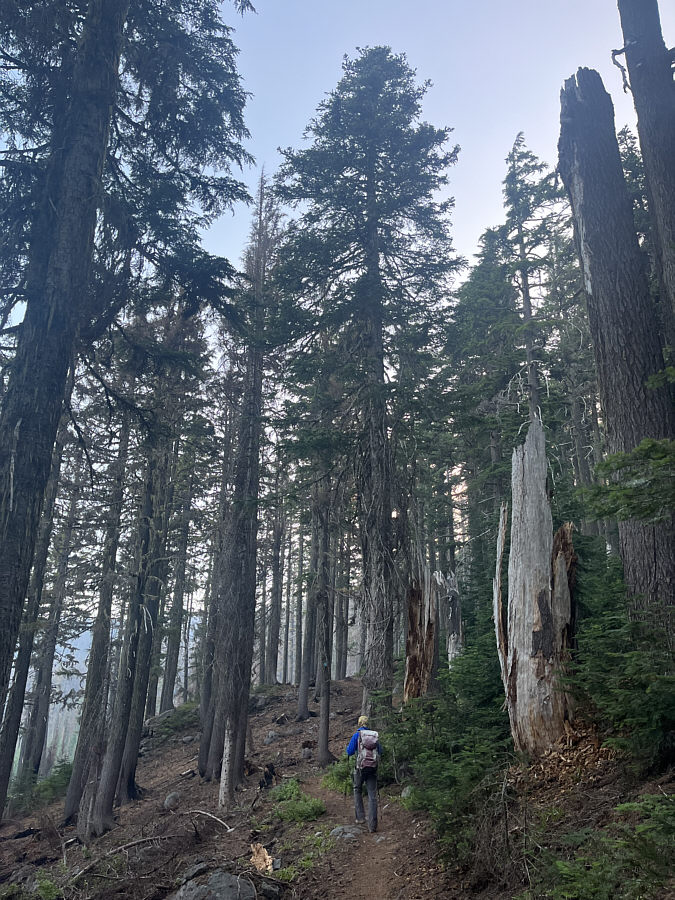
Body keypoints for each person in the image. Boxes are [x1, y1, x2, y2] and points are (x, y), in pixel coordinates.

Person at [346, 714, 381, 833]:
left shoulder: (357, 735)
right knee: (372, 795)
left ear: (359, 723)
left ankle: (360, 818)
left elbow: (349, 751)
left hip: (360, 768)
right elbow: (380, 751)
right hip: (372, 768)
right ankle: (373, 825)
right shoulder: (374, 736)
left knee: (357, 789)